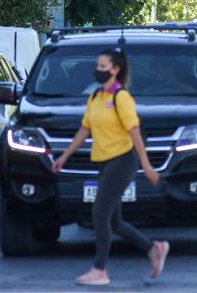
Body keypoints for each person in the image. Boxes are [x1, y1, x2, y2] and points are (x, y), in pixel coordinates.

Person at [52, 48, 169, 286]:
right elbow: (85, 129)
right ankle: (154, 249)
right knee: (114, 222)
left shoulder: (121, 97)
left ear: (115, 70)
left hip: (123, 160)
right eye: (98, 66)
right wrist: (64, 156)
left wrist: (147, 166)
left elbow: (134, 132)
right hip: (104, 160)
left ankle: (100, 270)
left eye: (103, 67)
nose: (99, 70)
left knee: (99, 214)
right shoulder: (96, 96)